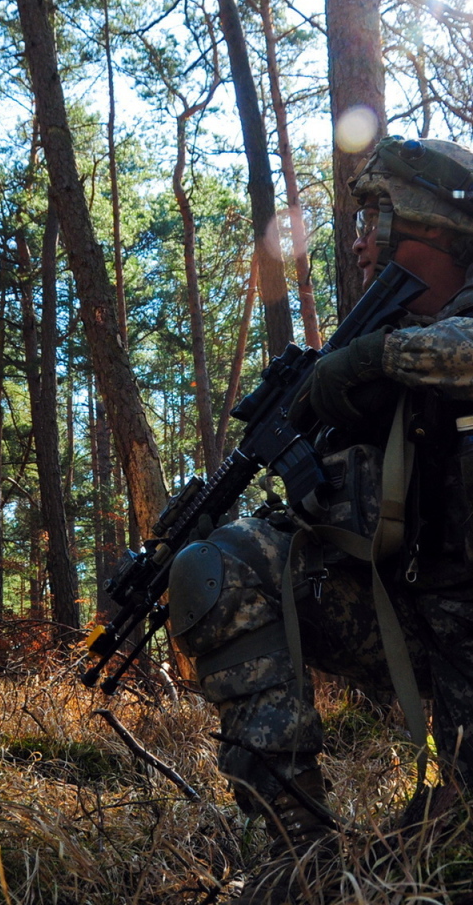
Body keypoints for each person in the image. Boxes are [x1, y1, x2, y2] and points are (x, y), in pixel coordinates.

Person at [168, 136, 473, 903]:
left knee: (448, 856)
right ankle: (300, 860)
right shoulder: (381, 366)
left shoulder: (415, 350)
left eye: (378, 224)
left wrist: (374, 359)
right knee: (225, 566)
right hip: (425, 630)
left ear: (435, 230)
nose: (361, 248)